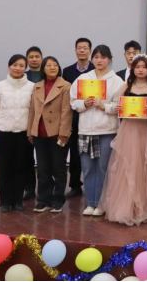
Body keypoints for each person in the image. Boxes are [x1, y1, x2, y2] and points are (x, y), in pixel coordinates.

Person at [99, 55, 147, 226]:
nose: (140, 70)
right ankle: (126, 207)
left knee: (145, 165)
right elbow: (116, 107)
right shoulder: (125, 86)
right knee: (127, 165)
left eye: (144, 67)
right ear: (133, 69)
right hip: (128, 130)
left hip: (146, 130)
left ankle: (145, 206)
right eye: (137, 67)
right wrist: (119, 108)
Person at [70, 45, 124, 217]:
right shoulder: (83, 78)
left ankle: (101, 203)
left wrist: (104, 106)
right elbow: (73, 102)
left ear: (110, 59)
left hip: (107, 130)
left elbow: (119, 106)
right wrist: (83, 104)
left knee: (103, 168)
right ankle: (90, 203)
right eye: (96, 57)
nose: (99, 60)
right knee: (87, 168)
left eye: (103, 57)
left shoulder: (117, 81)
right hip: (86, 130)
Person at [0, 54, 35, 213]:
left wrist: (33, 132)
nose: (18, 68)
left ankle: (17, 201)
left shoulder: (32, 87)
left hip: (24, 134)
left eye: (21, 65)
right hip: (3, 133)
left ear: (25, 68)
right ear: (9, 66)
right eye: (15, 65)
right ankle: (5, 202)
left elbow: (34, 112)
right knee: (6, 167)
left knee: (21, 167)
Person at [27, 57, 72, 214]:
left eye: (55, 65)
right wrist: (30, 131)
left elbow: (67, 111)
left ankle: (58, 200)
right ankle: (43, 200)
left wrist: (64, 133)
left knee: (58, 169)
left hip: (57, 134)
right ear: (43, 69)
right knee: (42, 169)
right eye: (49, 65)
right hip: (39, 133)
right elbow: (32, 110)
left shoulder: (65, 85)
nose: (52, 67)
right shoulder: (37, 86)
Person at [62, 37, 95, 199]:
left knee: (92, 155)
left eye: (85, 48)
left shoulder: (96, 70)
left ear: (90, 51)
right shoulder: (67, 71)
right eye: (79, 48)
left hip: (93, 117)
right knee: (74, 154)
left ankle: (94, 186)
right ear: (75, 50)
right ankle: (75, 185)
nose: (82, 50)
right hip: (73, 118)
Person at [23, 46, 44, 201]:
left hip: (44, 122)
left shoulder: (47, 75)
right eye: (31, 57)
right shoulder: (23, 76)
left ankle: (44, 190)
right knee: (27, 158)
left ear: (41, 58)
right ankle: (29, 189)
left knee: (44, 159)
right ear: (27, 59)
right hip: (27, 121)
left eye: (37, 56)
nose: (34, 59)